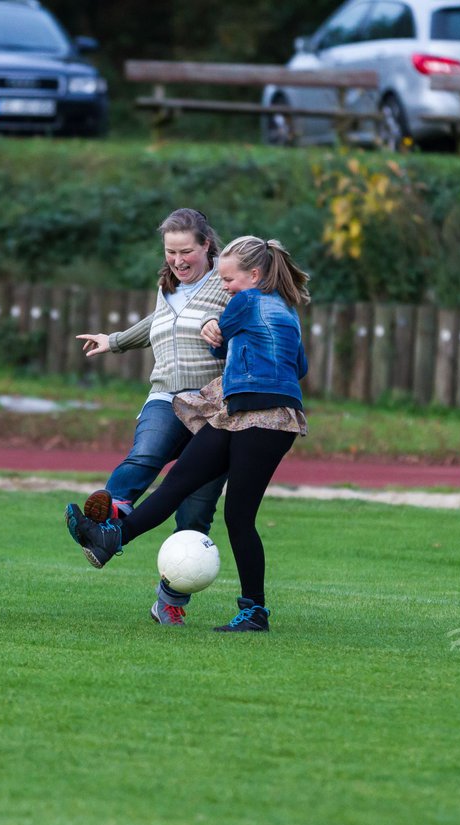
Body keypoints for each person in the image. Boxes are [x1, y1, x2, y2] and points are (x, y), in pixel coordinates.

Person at [67, 235, 311, 633]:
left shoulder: (246, 301)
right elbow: (298, 366)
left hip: (265, 418)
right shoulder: (286, 310)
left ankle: (254, 612)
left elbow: (214, 334)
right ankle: (111, 537)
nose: (225, 286)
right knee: (178, 481)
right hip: (240, 409)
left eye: (229, 279)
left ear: (254, 274)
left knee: (238, 516)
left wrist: (217, 325)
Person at [65, 208, 230, 627]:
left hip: (214, 407)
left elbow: (249, 319)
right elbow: (160, 322)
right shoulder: (168, 287)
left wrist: (222, 327)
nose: (177, 260)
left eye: (186, 251)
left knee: (195, 513)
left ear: (207, 245)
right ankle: (107, 520)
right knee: (146, 454)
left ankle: (170, 600)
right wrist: (114, 341)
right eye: (170, 252)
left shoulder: (228, 283)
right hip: (166, 395)